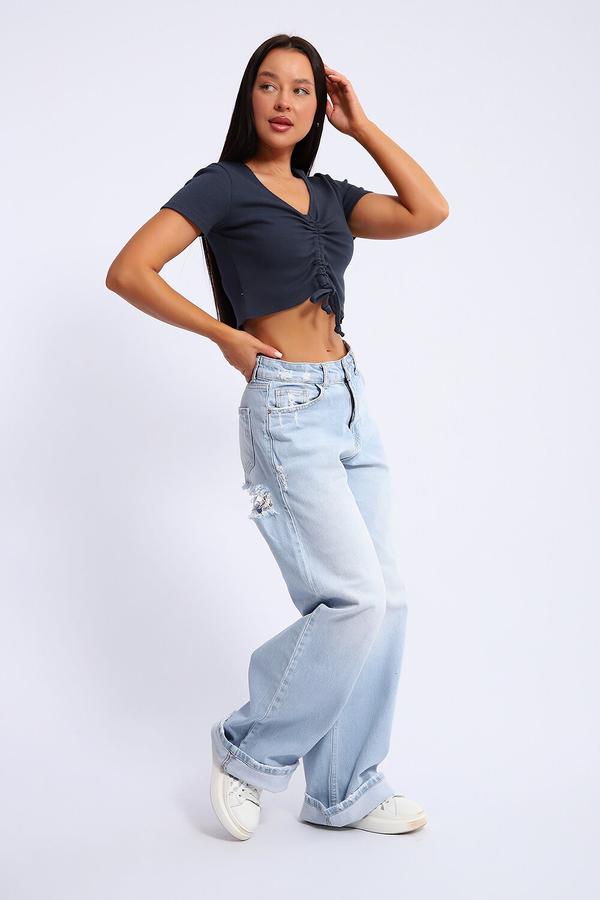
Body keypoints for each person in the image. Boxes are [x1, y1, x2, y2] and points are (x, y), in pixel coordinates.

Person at [106, 34, 449, 840]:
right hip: (286, 408)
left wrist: (362, 126)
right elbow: (129, 271)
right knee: (351, 598)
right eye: (270, 85)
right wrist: (223, 335)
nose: (285, 101)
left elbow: (428, 210)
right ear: (249, 97)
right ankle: (247, 749)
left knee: (386, 600)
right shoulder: (222, 186)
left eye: (302, 89)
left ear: (318, 106)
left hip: (349, 402)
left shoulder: (329, 194)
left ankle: (344, 789)